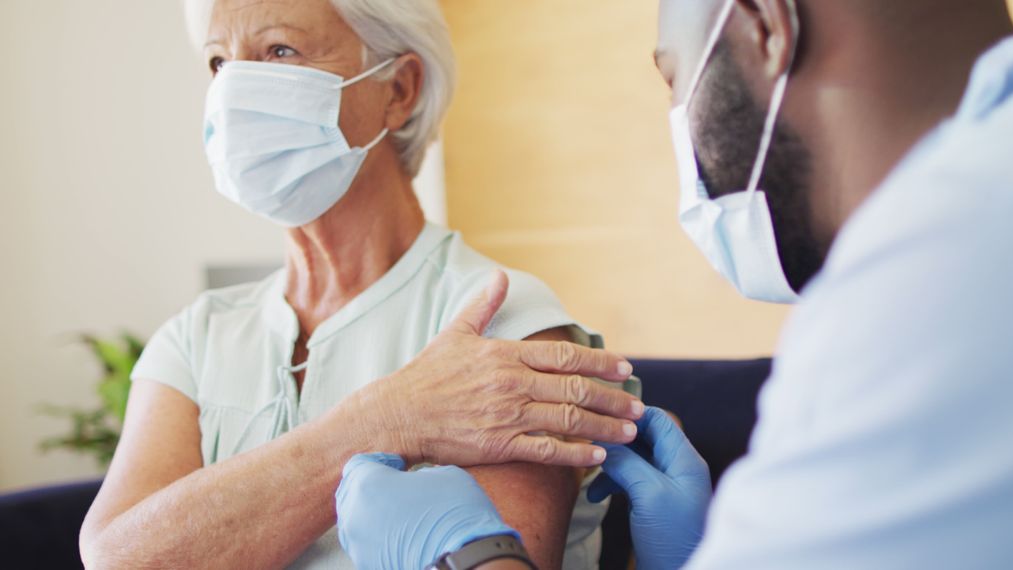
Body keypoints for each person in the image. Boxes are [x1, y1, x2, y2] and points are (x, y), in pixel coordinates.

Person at [335, 0, 1013, 568]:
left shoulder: (945, 272)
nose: (680, 129)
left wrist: (466, 555)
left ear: (766, 28)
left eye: (675, 79)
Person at [78, 0, 648, 568]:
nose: (235, 90)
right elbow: (118, 559)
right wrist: (380, 423)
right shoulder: (196, 336)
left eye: (280, 50)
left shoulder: (501, 317)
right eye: (220, 63)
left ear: (398, 89)